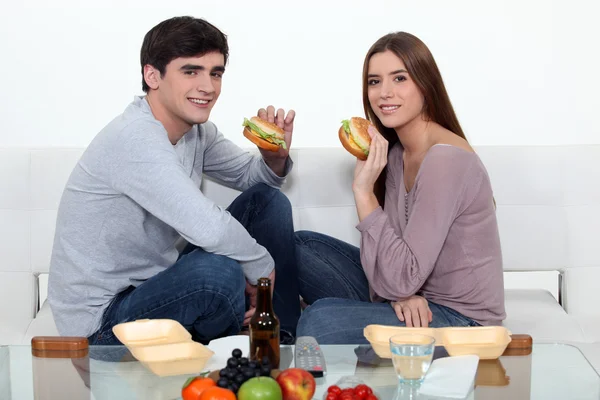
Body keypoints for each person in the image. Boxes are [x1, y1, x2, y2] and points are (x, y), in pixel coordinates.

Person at [47, 16, 301, 345]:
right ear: (152, 75)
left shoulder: (196, 132)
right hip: (103, 319)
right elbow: (207, 226)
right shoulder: (135, 137)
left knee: (268, 203)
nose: (208, 87)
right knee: (218, 274)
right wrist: (261, 269)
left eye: (216, 73)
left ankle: (282, 335)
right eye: (190, 71)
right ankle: (237, 328)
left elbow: (253, 179)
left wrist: (275, 155)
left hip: (155, 282)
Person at [295, 32, 506, 344]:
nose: (385, 93)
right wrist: (401, 296)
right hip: (410, 295)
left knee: (317, 321)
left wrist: (363, 192)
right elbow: (390, 262)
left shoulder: (445, 160)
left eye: (399, 78)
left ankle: (306, 332)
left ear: (425, 83)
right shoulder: (395, 153)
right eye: (374, 81)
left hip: (463, 322)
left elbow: (401, 275)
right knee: (302, 246)